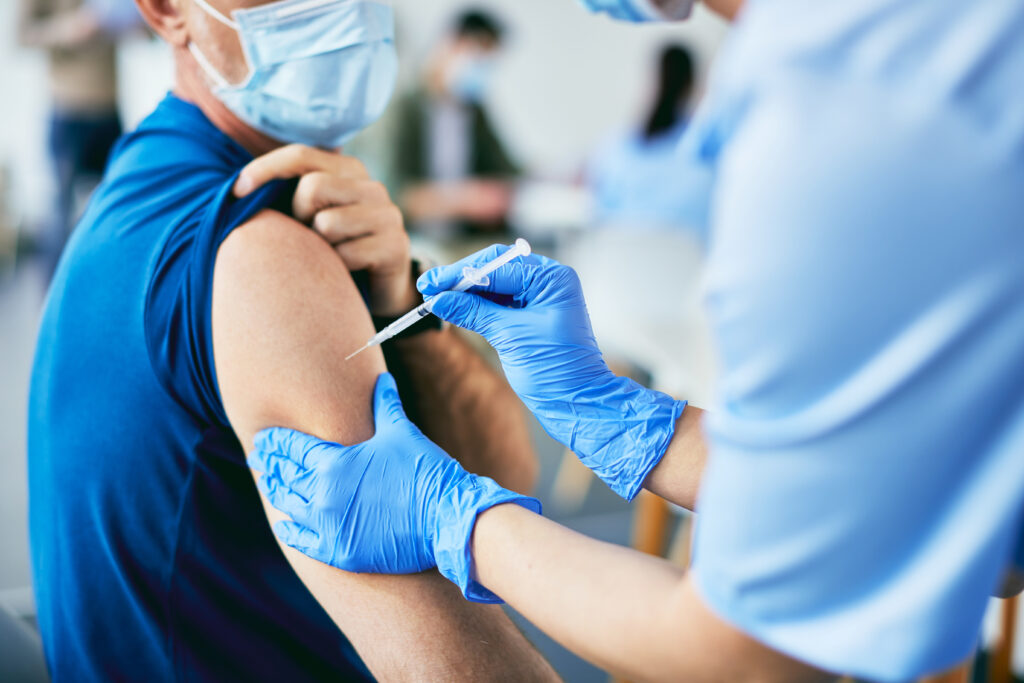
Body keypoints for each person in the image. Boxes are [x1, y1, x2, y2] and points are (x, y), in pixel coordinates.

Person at [250, 0, 1024, 681]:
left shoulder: (845, 105)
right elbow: (943, 512)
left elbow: (751, 655)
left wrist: (456, 518)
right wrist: (617, 413)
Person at [27, 0, 557, 680]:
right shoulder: (260, 253)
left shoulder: (159, 170)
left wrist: (404, 302)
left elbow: (507, 475)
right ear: (166, 11)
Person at [17, 0, 139, 280]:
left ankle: (106, 287)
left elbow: (149, 33)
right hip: (68, 110)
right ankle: (51, 303)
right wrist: (68, 29)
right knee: (60, 214)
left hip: (108, 109)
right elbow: (22, 35)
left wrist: (136, 23)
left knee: (114, 207)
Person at [391, 9, 520, 239]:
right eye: (480, 54)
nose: (483, 67)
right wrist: (462, 200)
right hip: (414, 242)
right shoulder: (403, 108)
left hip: (461, 242)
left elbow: (506, 171)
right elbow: (393, 192)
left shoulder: (474, 111)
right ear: (451, 43)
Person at [585, 44, 698, 229]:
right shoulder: (703, 150)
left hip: (619, 252)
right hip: (684, 254)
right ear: (692, 84)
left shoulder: (618, 147)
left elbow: (599, 208)